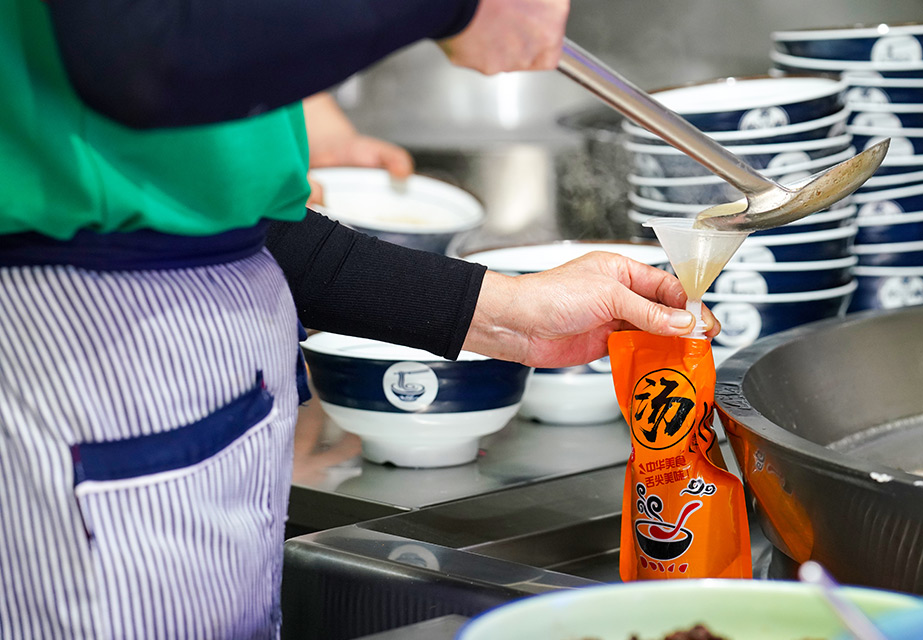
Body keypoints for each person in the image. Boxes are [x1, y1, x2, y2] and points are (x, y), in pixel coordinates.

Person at [0, 0, 717, 638]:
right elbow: (140, 48)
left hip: (181, 371)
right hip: (99, 360)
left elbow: (246, 221)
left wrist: (505, 311)